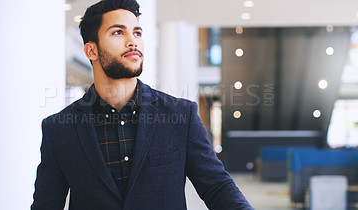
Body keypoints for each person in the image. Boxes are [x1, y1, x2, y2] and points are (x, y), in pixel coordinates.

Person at [31, 0, 253, 209]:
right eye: (118, 32)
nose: (132, 40)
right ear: (92, 51)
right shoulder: (58, 129)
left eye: (137, 32)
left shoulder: (181, 115)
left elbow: (217, 186)